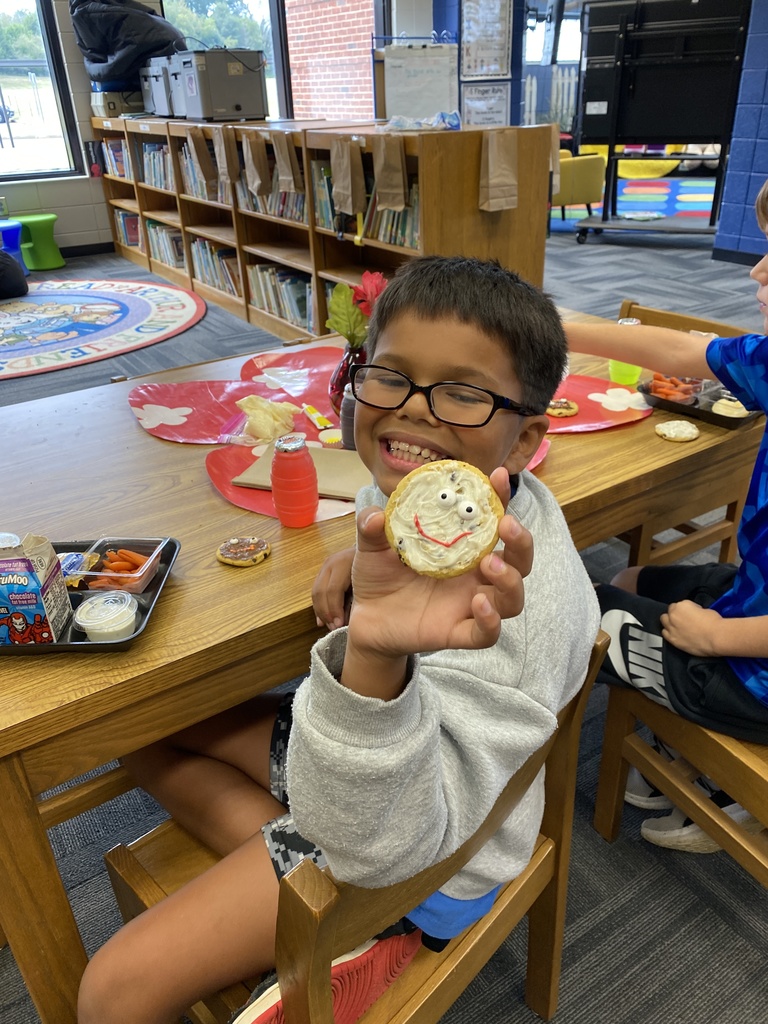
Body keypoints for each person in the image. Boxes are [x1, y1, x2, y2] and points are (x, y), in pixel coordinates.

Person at [78, 255, 600, 1024]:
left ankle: (356, 921)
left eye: (461, 392)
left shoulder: (517, 616)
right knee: (141, 732)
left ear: (523, 441)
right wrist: (356, 556)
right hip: (373, 765)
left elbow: (402, 838)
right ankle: (311, 902)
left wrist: (377, 651)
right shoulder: (433, 489)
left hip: (427, 856)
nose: (414, 412)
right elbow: (398, 526)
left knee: (114, 991)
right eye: (390, 376)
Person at [563, 177, 768, 854]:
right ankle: (686, 757)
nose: (758, 270)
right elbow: (683, 352)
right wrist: (561, 324)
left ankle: (725, 778)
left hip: (749, 669)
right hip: (752, 601)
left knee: (564, 611)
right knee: (637, 578)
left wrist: (717, 640)